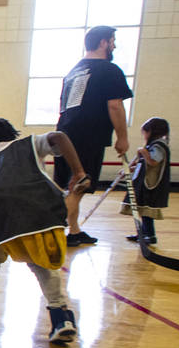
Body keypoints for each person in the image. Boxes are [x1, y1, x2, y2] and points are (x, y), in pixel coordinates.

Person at [0, 117, 89, 343]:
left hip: (2, 216)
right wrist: (78, 172)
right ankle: (61, 317)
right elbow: (59, 137)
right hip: (42, 209)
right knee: (41, 263)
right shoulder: (30, 143)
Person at [53, 25, 132, 247]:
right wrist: (122, 138)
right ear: (103, 43)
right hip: (88, 135)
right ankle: (52, 232)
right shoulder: (109, 70)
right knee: (80, 186)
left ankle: (74, 231)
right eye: (112, 41)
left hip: (64, 134)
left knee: (71, 187)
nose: (114, 45)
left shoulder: (73, 71)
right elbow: (115, 106)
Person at [121, 117, 171, 245]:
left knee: (146, 211)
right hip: (141, 183)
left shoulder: (158, 146)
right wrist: (129, 169)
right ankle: (141, 233)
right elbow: (143, 165)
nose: (144, 136)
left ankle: (150, 235)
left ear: (152, 132)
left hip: (150, 185)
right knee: (140, 210)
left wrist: (143, 152)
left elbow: (153, 162)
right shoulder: (150, 146)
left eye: (145, 132)